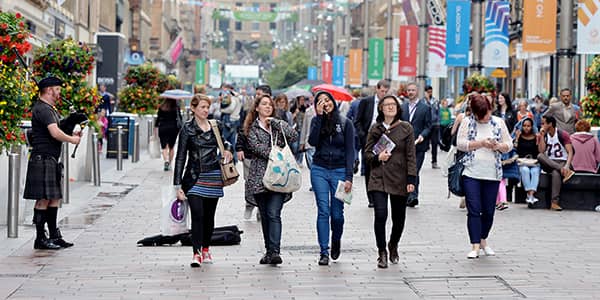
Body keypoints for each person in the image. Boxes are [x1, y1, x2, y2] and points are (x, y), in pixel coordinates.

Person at [173, 94, 233, 267]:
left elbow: (225, 142)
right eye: (202, 107)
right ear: (193, 109)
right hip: (193, 177)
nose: (206, 110)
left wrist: (228, 149)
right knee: (197, 215)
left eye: (207, 107)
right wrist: (177, 185)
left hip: (213, 175)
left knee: (209, 216)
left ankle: (206, 248)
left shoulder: (216, 125)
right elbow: (180, 157)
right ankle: (196, 253)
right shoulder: (187, 129)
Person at [23, 76, 81, 250]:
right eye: (57, 89)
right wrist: (72, 140)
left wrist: (71, 122)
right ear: (49, 90)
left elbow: (58, 128)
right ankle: (40, 238)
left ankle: (54, 235)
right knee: (43, 199)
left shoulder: (49, 109)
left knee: (54, 198)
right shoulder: (43, 109)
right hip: (43, 158)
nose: (59, 93)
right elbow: (55, 132)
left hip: (51, 159)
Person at [456, 94, 512, 259]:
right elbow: (460, 144)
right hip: (471, 172)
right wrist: (480, 143)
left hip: (492, 173)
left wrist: (498, 146)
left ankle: (483, 240)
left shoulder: (498, 123)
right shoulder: (467, 122)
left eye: (486, 113)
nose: (485, 118)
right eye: (481, 115)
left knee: (488, 211)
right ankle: (474, 246)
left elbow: (509, 145)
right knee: (474, 210)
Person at [364, 95, 417, 268]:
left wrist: (411, 179)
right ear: (380, 108)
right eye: (386, 105)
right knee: (380, 214)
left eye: (393, 104)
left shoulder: (405, 128)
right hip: (378, 177)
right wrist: (378, 157)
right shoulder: (375, 128)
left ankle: (393, 244)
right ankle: (382, 252)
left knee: (399, 218)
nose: (390, 107)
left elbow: (411, 155)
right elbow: (367, 154)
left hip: (399, 177)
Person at [245, 94, 298, 265]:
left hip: (279, 177)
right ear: (257, 108)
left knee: (274, 213)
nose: (268, 107)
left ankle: (275, 251)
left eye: (270, 105)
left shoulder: (277, 125)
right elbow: (255, 147)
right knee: (266, 215)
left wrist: (276, 122)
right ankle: (269, 250)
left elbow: (293, 135)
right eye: (264, 104)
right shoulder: (252, 128)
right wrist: (276, 153)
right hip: (260, 177)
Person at [308, 91, 355, 266]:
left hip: (340, 170)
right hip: (319, 169)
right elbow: (313, 142)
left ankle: (336, 239)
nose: (324, 103)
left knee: (337, 214)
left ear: (333, 102)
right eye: (320, 102)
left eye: (327, 100)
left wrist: (349, 176)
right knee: (323, 210)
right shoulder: (315, 121)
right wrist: (320, 118)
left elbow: (351, 150)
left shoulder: (345, 123)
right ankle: (324, 251)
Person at [354, 80, 390, 207]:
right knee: (369, 168)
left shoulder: (389, 104)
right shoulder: (366, 102)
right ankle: (371, 198)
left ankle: (380, 194)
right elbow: (357, 121)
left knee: (382, 167)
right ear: (377, 89)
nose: (383, 94)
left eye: (386, 92)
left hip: (384, 140)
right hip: (368, 139)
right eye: (382, 91)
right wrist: (363, 136)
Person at [238, 85, 271, 221]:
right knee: (250, 182)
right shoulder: (249, 111)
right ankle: (249, 204)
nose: (256, 97)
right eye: (256, 94)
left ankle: (261, 208)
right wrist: (239, 148)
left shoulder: (273, 113)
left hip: (268, 157)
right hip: (250, 155)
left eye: (259, 94)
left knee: (265, 183)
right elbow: (242, 130)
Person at [400, 82, 432, 207]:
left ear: (417, 91)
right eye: (409, 90)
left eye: (413, 90)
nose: (411, 92)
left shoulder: (425, 108)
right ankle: (406, 194)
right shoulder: (402, 107)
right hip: (403, 146)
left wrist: (422, 136)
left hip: (418, 146)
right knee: (405, 170)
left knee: (415, 170)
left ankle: (413, 196)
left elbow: (428, 126)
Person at [537, 115, 575, 211]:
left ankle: (554, 203)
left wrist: (567, 165)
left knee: (555, 172)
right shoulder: (545, 135)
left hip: (563, 161)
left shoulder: (562, 134)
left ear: (550, 124)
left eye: (543, 123)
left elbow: (570, 152)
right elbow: (541, 151)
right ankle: (564, 171)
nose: (541, 125)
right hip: (550, 162)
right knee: (539, 156)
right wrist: (541, 136)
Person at [514, 118, 541, 204]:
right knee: (525, 170)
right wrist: (517, 138)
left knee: (535, 171)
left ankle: (530, 195)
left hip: (534, 162)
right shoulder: (519, 136)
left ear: (532, 127)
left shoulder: (536, 137)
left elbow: (539, 151)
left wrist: (539, 140)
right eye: (524, 126)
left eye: (528, 126)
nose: (526, 128)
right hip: (522, 162)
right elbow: (515, 149)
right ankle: (530, 195)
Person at [155, 97, 182, 171]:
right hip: (173, 128)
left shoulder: (162, 106)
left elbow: (158, 118)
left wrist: (156, 127)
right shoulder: (176, 107)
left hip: (163, 127)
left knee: (164, 146)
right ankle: (170, 163)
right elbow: (180, 118)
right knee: (171, 147)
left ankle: (166, 160)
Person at [220, 84, 241, 162]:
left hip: (229, 121)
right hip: (234, 121)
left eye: (225, 89)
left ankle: (223, 159)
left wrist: (221, 110)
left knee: (224, 141)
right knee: (231, 141)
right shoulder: (237, 97)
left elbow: (230, 109)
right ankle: (233, 159)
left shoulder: (233, 98)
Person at [424, 85, 441, 169]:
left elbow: (438, 112)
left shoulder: (435, 101)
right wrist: (427, 100)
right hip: (426, 125)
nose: (430, 93)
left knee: (434, 144)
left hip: (434, 125)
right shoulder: (423, 101)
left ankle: (434, 161)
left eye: (431, 92)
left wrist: (438, 122)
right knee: (423, 143)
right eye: (428, 92)